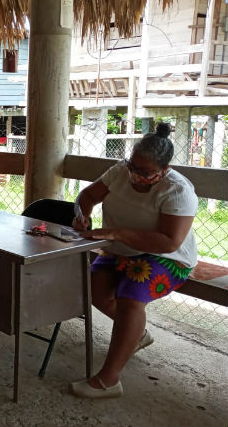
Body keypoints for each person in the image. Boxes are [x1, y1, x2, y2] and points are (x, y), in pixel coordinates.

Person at [69, 122, 198, 398]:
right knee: (94, 291)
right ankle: (136, 335)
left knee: (130, 297)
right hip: (120, 249)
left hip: (167, 257)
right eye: (132, 166)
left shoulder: (177, 190)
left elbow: (169, 241)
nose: (135, 175)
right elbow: (88, 195)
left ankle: (109, 379)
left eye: (145, 172)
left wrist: (117, 232)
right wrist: (82, 214)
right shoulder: (120, 171)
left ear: (164, 170)